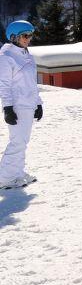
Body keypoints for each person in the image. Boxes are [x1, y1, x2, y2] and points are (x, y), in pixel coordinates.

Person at [0, 20, 42, 189]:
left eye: (31, 35)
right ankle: (5, 178)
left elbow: (32, 82)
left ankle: (17, 172)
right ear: (14, 37)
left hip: (29, 104)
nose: (29, 39)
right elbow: (4, 85)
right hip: (17, 105)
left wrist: (38, 103)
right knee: (17, 142)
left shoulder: (28, 56)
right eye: (25, 35)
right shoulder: (6, 57)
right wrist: (8, 108)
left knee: (23, 141)